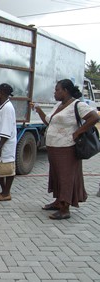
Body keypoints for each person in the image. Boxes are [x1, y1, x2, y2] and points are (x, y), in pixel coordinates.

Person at [32, 79, 100, 220]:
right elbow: (49, 121)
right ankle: (58, 202)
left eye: (57, 90)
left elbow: (94, 117)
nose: (55, 92)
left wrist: (77, 132)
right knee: (56, 176)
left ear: (66, 91)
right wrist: (39, 111)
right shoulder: (58, 105)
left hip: (66, 148)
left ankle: (65, 209)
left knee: (65, 178)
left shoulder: (78, 105)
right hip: (54, 146)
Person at [0, 83, 17, 201]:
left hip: (5, 144)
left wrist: (0, 147)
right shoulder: (2, 106)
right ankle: (4, 191)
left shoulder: (8, 108)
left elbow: (6, 130)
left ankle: (6, 193)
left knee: (8, 170)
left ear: (2, 93)